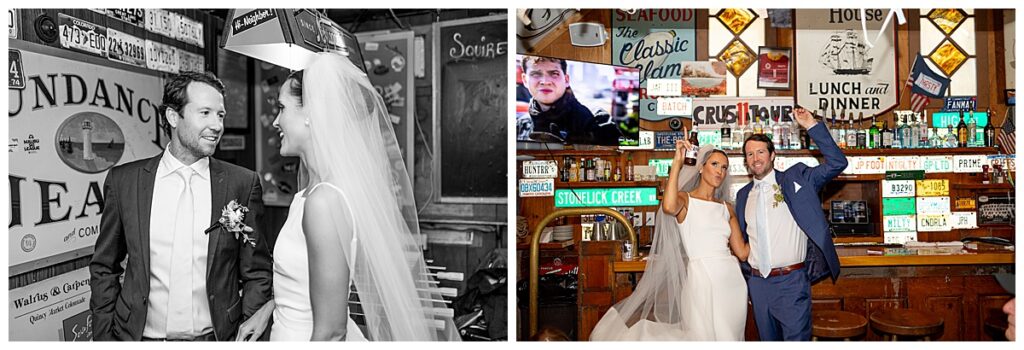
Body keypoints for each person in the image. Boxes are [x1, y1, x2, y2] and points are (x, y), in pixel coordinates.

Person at [233, 52, 460, 341]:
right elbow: (308, 285)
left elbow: (331, 332)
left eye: (282, 108)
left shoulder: (324, 202)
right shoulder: (308, 194)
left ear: (311, 115)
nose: (276, 121)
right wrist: (269, 309)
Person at [89, 72, 273, 341]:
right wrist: (105, 338)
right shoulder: (124, 181)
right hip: (138, 337)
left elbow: (256, 271)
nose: (217, 125)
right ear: (173, 117)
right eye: (205, 113)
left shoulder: (242, 184)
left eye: (220, 115)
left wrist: (247, 331)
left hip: (216, 338)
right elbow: (105, 266)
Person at [590, 135, 748, 341]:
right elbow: (668, 206)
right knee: (702, 337)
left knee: (731, 337)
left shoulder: (726, 208)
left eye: (725, 167)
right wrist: (677, 161)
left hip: (731, 281)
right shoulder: (685, 199)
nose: (720, 171)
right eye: (715, 164)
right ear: (700, 167)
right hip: (701, 278)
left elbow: (743, 253)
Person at [734, 107, 847, 341]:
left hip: (791, 282)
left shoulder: (797, 179)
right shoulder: (744, 195)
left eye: (761, 152)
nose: (756, 158)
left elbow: (837, 163)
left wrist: (812, 126)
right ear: (745, 160)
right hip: (758, 284)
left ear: (772, 155)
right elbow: (745, 240)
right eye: (750, 154)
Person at [520, 55, 622, 145]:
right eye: (536, 74)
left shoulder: (597, 120)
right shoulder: (519, 126)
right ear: (524, 80)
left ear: (566, 80)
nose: (545, 81)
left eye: (554, 73)